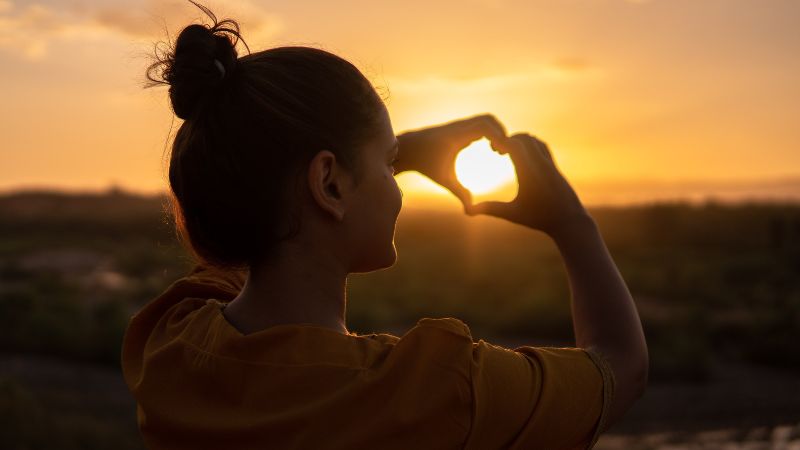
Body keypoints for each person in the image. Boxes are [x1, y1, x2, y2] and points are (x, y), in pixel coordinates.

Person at [121, 3, 648, 449]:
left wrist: (380, 156)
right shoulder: (434, 390)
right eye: (389, 164)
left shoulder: (170, 343)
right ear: (328, 184)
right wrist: (572, 224)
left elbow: (256, 214)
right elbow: (620, 366)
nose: (396, 183)